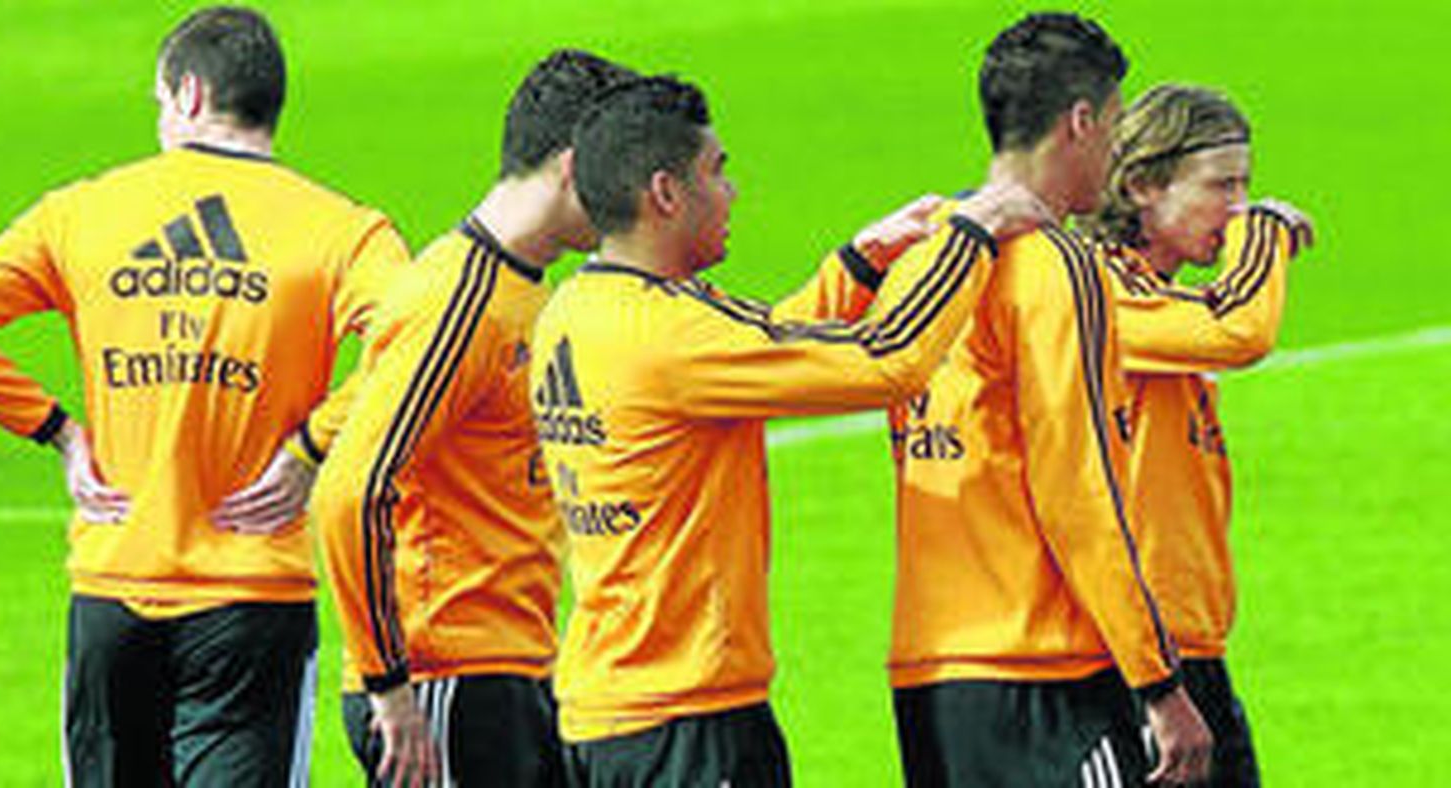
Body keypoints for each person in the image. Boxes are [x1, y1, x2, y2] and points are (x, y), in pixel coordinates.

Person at [0, 7, 411, 785]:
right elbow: (418, 343)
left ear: (192, 95)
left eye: (159, 101)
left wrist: (59, 432)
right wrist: (313, 444)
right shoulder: (344, 231)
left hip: (113, 586)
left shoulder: (81, 212)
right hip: (252, 596)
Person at [533, 74, 1048, 786]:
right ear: (665, 194)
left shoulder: (581, 308)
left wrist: (860, 263)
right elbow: (888, 363)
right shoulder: (670, 335)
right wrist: (971, 235)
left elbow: (763, 344)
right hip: (686, 719)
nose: (734, 190)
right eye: (717, 170)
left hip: (611, 709)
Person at [883, 13, 1215, 787]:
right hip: (1043, 675)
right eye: (1116, 123)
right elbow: (1079, 484)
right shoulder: (1060, 267)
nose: (1116, 148)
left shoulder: (920, 251)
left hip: (929, 674)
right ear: (1081, 121)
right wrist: (1159, 683)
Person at [308, 49, 638, 788]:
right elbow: (349, 493)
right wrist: (388, 684)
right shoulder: (456, 300)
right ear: (571, 164)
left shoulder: (519, 292)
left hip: (506, 671)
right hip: (444, 679)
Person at [1080, 83, 1315, 787]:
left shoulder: (1165, 311)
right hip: (1132, 666)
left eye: (1247, 186)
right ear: (1142, 186)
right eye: (1222, 186)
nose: (1239, 207)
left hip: (1194, 654)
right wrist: (1263, 236)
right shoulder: (1098, 291)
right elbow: (1240, 330)